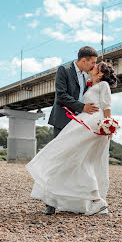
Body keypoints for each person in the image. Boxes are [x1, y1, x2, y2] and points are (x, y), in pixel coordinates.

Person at [26, 62, 117, 216]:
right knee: (76, 159)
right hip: (82, 121)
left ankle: (96, 200)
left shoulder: (103, 86)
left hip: (93, 124)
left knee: (78, 159)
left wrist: (108, 125)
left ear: (100, 74)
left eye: (96, 66)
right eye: (92, 63)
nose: (93, 66)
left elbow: (107, 107)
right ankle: (90, 200)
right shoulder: (89, 86)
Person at [44, 46, 100, 215]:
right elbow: (61, 95)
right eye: (93, 62)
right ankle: (50, 203)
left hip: (77, 125)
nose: (93, 66)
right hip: (62, 121)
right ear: (84, 60)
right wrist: (82, 107)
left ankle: (72, 200)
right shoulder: (64, 70)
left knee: (75, 162)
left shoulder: (85, 77)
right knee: (57, 161)